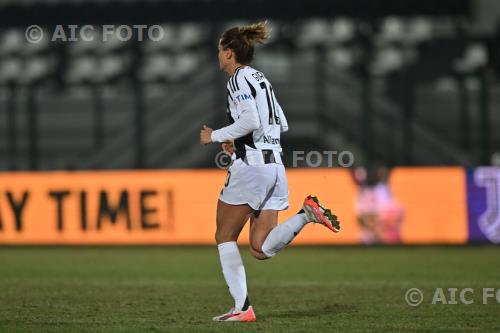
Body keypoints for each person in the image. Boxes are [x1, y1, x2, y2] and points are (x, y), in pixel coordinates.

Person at [200, 21, 340, 322]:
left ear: (228, 54)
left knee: (224, 235)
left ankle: (242, 308)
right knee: (261, 248)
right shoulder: (261, 78)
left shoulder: (237, 79)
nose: (218, 57)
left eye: (219, 52)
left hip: (251, 167)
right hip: (275, 165)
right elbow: (282, 123)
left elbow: (250, 120)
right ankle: (305, 214)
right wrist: (238, 140)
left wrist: (217, 136)